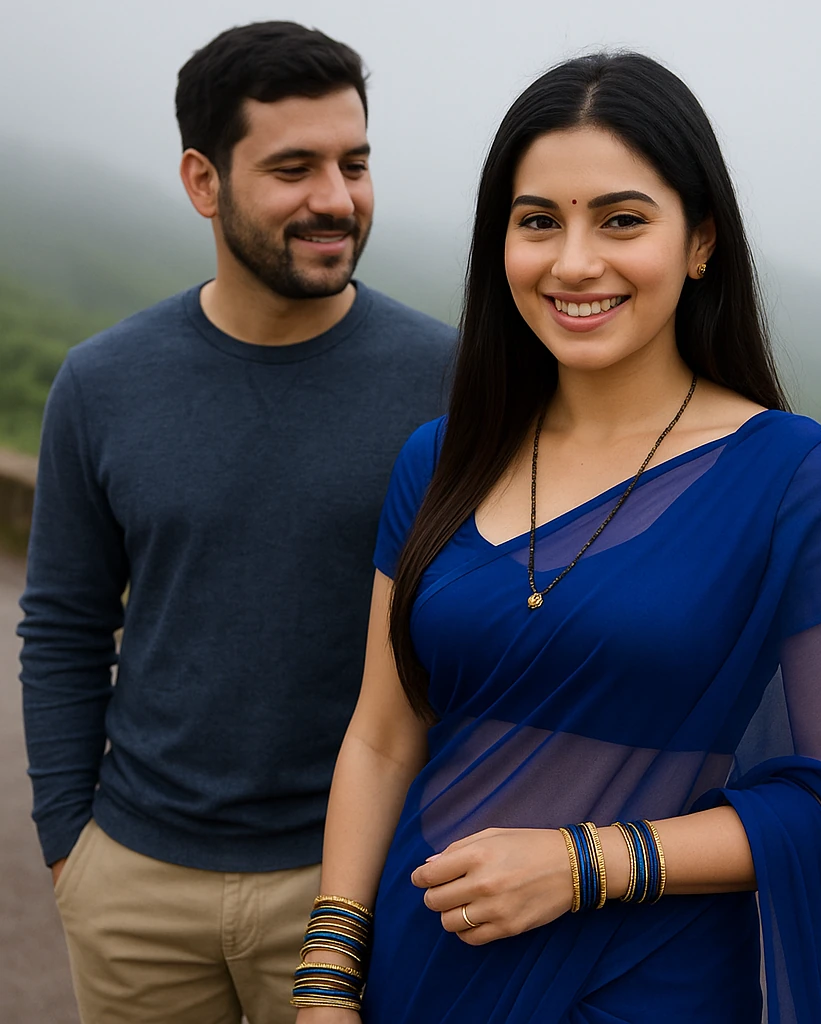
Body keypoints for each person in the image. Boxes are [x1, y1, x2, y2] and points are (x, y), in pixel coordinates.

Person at [292, 52, 821, 1024]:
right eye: (537, 223)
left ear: (699, 243)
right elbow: (382, 737)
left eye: (619, 219)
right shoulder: (438, 461)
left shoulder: (791, 479)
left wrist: (586, 862)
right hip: (420, 963)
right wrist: (325, 976)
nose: (573, 261)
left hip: (648, 982)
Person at [18, 20, 453, 1024]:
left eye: (355, 163)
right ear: (203, 182)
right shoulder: (103, 382)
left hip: (357, 876)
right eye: (293, 167)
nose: (336, 199)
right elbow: (65, 623)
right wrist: (68, 848)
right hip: (135, 884)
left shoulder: (447, 380)